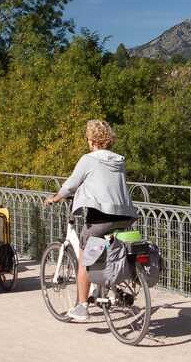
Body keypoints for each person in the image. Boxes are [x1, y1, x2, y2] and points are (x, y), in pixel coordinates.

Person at [44, 119, 136, 323]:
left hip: (101, 218)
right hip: (126, 217)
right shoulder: (119, 160)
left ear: (91, 139)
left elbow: (71, 185)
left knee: (86, 258)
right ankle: (115, 289)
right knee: (108, 249)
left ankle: (82, 306)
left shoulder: (89, 159)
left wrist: (55, 197)